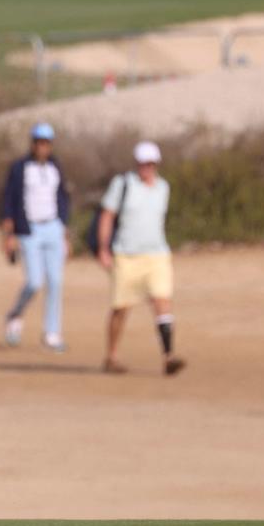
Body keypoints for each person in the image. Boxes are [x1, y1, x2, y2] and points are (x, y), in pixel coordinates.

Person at [98, 141, 186, 377]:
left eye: (150, 163)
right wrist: (103, 248)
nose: (146, 167)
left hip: (157, 255)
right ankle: (112, 355)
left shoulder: (163, 188)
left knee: (162, 302)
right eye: (142, 163)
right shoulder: (123, 184)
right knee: (121, 308)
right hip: (126, 255)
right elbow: (107, 216)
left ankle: (168, 357)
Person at [1, 122, 71, 352]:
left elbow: (62, 197)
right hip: (29, 229)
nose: (43, 147)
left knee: (56, 282)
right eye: (39, 142)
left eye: (47, 143)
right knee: (34, 281)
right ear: (33, 144)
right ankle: (15, 315)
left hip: (53, 227)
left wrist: (64, 230)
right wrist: (9, 234)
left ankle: (52, 332)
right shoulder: (20, 168)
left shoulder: (56, 167)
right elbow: (9, 200)